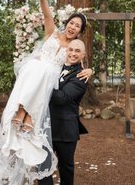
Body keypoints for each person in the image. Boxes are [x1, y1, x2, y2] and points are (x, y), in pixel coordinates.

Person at [0, 0, 91, 185]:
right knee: (36, 72)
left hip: (49, 81)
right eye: (72, 23)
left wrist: (90, 71)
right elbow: (46, 13)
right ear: (67, 23)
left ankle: (28, 115)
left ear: (80, 33)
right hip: (38, 71)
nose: (73, 27)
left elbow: (80, 63)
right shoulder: (52, 33)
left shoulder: (73, 49)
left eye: (78, 26)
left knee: (42, 76)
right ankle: (22, 113)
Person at [39, 39, 89, 185]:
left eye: (77, 51)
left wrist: (43, 84)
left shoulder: (82, 76)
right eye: (71, 49)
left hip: (65, 131)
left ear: (83, 55)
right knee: (43, 166)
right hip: (46, 127)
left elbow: (62, 98)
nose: (73, 53)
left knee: (65, 167)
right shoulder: (56, 67)